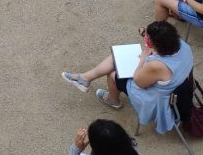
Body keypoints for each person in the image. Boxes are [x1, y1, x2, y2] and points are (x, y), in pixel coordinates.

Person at [60, 20, 193, 114]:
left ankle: (113, 100)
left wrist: (143, 59)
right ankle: (85, 78)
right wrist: (148, 38)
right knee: (117, 58)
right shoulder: (183, 45)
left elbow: (138, 81)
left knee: (113, 74)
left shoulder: (156, 65)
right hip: (177, 82)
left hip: (157, 98)